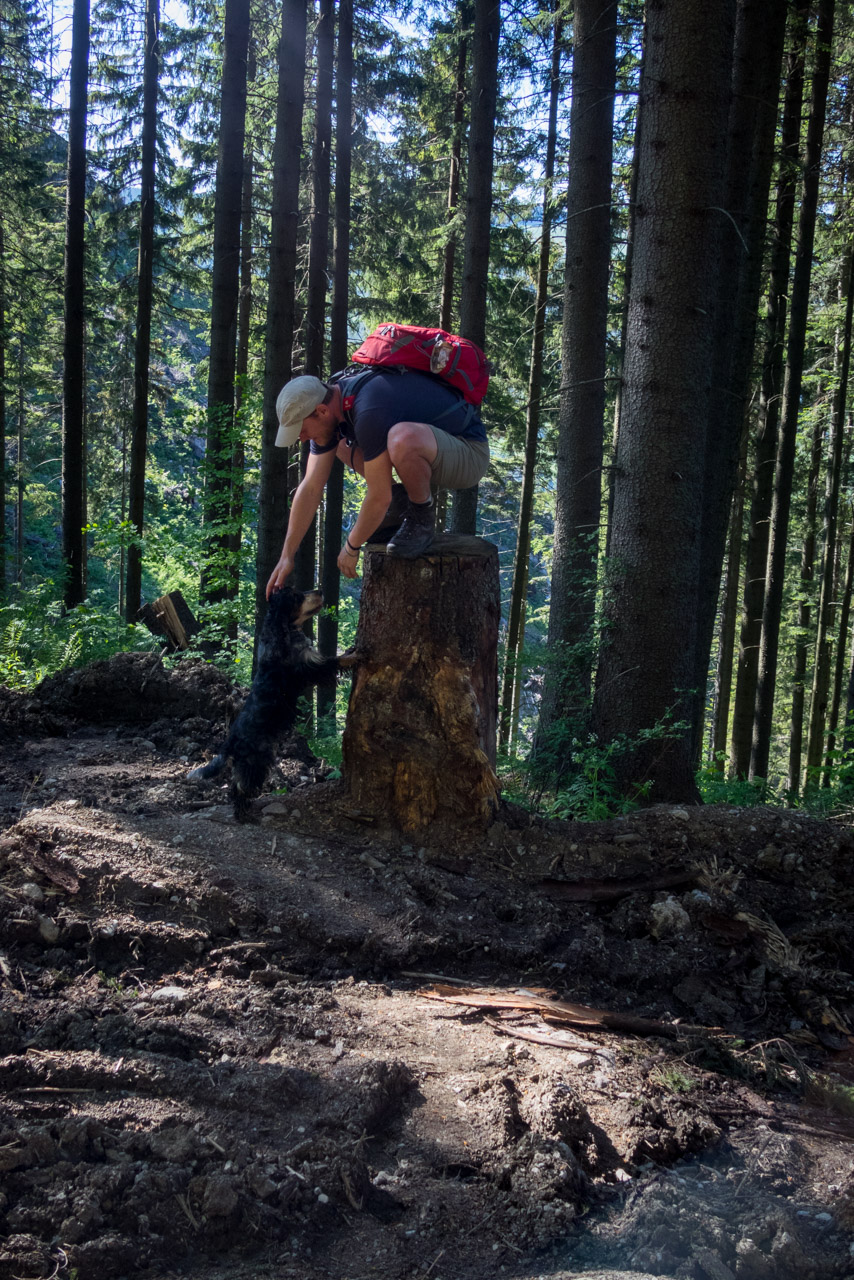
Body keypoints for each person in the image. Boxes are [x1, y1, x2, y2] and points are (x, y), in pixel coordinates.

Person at [265, 367, 489, 597]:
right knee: (340, 443)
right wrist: (286, 556)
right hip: (432, 448)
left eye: (301, 430)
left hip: (469, 452)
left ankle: (421, 517)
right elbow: (310, 487)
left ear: (321, 411)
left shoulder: (369, 406)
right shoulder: (335, 406)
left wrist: (352, 547)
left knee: (402, 438)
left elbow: (379, 497)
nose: (301, 439)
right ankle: (401, 502)